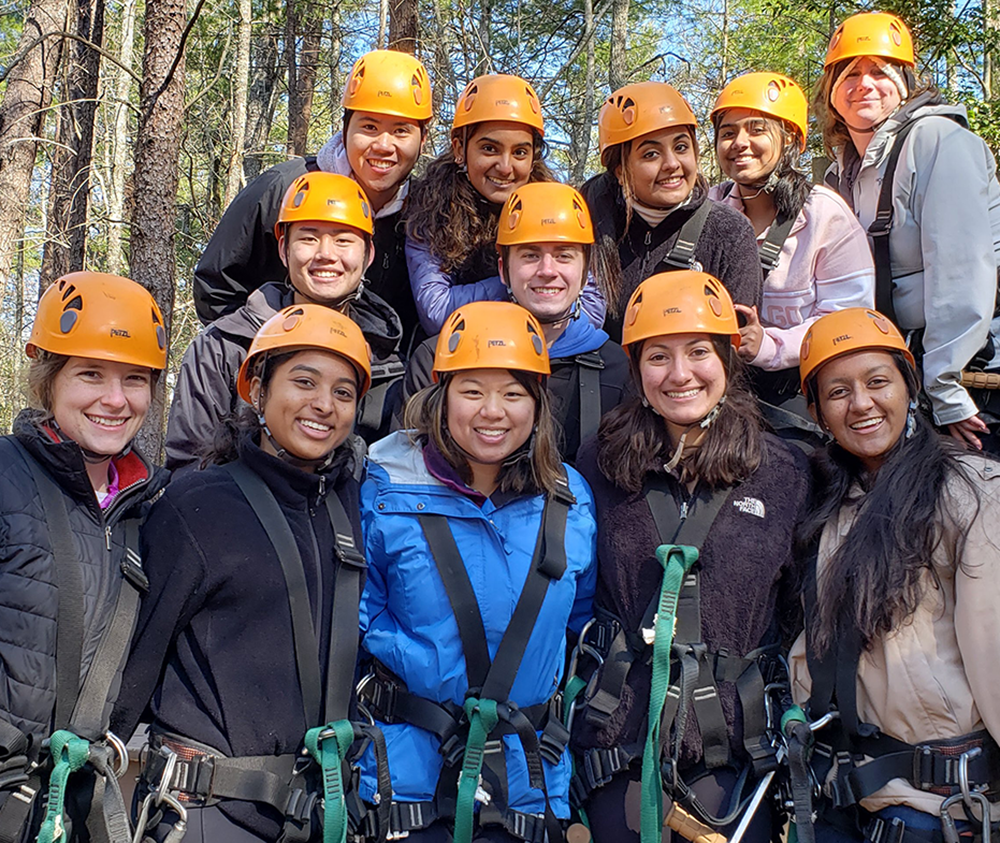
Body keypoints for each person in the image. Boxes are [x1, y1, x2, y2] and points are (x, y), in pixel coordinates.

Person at [112, 304, 380, 843]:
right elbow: (132, 661)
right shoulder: (197, 507)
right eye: (303, 382)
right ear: (257, 390)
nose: (323, 405)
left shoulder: (353, 503)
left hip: (320, 810)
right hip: (208, 811)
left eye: (343, 392)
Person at [568, 271, 808, 843]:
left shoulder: (786, 472)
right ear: (635, 367)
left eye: (699, 351)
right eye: (658, 356)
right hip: (621, 739)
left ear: (727, 356)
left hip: (737, 748)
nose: (679, 375)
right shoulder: (600, 463)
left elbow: (804, 608)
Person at [355, 300, 597, 842]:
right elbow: (355, 625)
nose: (493, 411)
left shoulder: (571, 501)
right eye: (472, 391)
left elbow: (576, 626)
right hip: (406, 785)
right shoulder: (383, 493)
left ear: (537, 405)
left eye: (513, 393)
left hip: (529, 787)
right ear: (441, 400)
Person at [789, 307, 1000, 843]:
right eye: (837, 392)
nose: (861, 404)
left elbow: (993, 640)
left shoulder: (969, 492)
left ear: (909, 387)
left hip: (940, 806)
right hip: (847, 792)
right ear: (816, 412)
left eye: (877, 382)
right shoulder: (830, 505)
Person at [0, 272, 169, 843]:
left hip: (72, 808)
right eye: (90, 374)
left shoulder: (146, 512)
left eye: (134, 379)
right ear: (49, 381)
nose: (115, 399)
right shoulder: (5, 477)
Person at [815, 11, 1000, 452]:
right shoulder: (842, 172)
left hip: (973, 376)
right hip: (904, 375)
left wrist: (947, 388)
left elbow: (961, 267)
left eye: (879, 71)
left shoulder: (938, 141)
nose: (864, 83)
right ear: (832, 91)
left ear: (905, 84)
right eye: (849, 73)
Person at [166, 171, 404, 473]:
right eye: (308, 238)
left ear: (368, 255)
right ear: (283, 249)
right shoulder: (224, 347)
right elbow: (188, 468)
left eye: (344, 240)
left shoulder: (388, 362)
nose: (326, 255)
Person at [193, 49, 432, 348]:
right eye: (369, 127)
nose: (383, 145)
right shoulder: (283, 190)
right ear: (345, 129)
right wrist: (263, 359)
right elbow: (216, 286)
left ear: (422, 139)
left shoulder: (426, 214)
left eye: (401, 131)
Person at [398, 181, 629, 462]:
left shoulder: (617, 370)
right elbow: (403, 474)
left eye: (563, 256)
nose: (547, 270)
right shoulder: (438, 358)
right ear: (503, 270)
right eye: (530, 255)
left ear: (585, 272)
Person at [709, 71, 875, 443]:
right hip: (715, 389)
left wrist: (768, 346)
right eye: (728, 132)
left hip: (797, 395)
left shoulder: (824, 216)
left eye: (757, 129)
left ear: (791, 141)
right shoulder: (708, 208)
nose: (740, 143)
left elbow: (846, 320)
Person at [405, 74, 605, 335]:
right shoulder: (432, 210)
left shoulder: (556, 204)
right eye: (489, 149)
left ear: (534, 156)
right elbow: (436, 310)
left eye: (520, 152)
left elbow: (591, 309)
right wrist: (518, 284)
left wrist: (528, 284)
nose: (505, 167)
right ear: (459, 148)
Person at [582, 81, 763, 343]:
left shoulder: (729, 233)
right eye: (651, 154)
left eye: (681, 147)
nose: (671, 164)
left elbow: (735, 350)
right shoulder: (591, 229)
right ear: (621, 171)